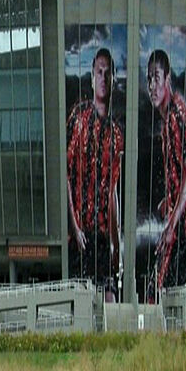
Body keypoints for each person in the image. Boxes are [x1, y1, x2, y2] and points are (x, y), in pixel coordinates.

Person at [67, 48, 124, 299]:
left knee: (108, 298)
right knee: (80, 300)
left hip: (101, 237)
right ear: (92, 78)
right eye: (99, 72)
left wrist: (116, 242)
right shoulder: (78, 118)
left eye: (107, 73)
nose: (103, 77)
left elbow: (112, 191)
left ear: (113, 79)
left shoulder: (116, 134)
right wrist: (75, 227)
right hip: (80, 235)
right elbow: (67, 176)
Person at [146, 49, 186, 295]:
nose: (151, 86)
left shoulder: (177, 116)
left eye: (156, 77)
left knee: (165, 287)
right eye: (148, 79)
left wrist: (172, 222)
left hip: (183, 226)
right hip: (178, 221)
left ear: (167, 79)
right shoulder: (166, 121)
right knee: (162, 285)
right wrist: (170, 199)